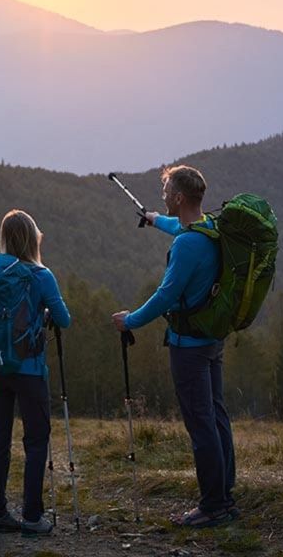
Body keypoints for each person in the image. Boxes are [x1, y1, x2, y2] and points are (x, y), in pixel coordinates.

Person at [111, 165, 237, 528]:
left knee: (201, 425)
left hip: (189, 347)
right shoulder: (210, 228)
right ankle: (225, 496)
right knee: (216, 415)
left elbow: (166, 295)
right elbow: (179, 227)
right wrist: (153, 219)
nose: (163, 196)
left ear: (179, 197)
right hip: (212, 339)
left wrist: (130, 319)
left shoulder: (186, 245)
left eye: (165, 191)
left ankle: (213, 505)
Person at [0, 209, 71, 536]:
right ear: (33, 238)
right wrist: (44, 310)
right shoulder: (41, 275)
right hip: (30, 370)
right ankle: (33, 517)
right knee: (36, 441)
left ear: (5, 238)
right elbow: (64, 320)